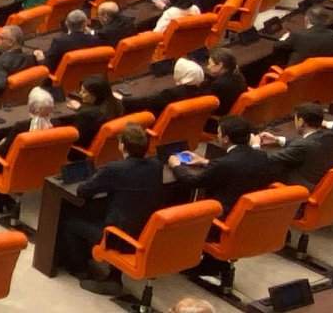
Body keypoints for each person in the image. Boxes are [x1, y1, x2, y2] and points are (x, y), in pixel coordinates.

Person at [61, 123, 165, 292]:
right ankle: (112, 274)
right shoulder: (156, 166)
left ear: (122, 145)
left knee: (70, 221)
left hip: (118, 237)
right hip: (145, 232)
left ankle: (80, 270)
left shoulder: (115, 169)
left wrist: (98, 176)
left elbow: (83, 191)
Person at [170, 116, 276, 216]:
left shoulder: (223, 164)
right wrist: (205, 162)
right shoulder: (261, 155)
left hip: (224, 214)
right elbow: (238, 167)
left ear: (226, 138)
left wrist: (176, 166)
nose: (217, 135)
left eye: (219, 133)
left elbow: (192, 182)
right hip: (250, 214)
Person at [260, 103, 333, 189]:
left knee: (269, 169)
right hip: (322, 183)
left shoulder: (303, 145)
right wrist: (277, 139)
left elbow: (271, 158)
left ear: (301, 122)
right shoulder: (331, 136)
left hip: (303, 187)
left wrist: (256, 145)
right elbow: (305, 142)